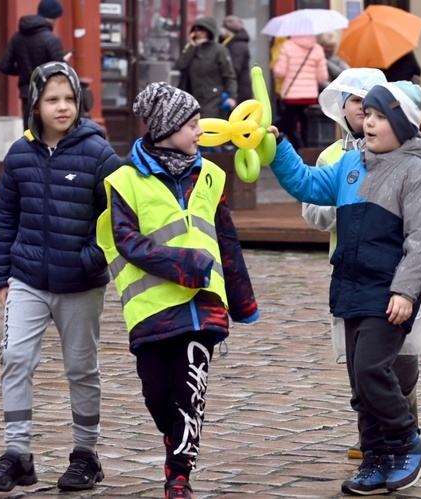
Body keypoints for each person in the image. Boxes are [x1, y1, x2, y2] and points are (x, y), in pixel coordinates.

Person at [267, 80, 421, 495]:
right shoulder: (352, 165)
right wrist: (278, 149)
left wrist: (404, 292)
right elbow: (307, 184)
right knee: (358, 385)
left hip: (389, 294)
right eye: (368, 114)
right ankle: (374, 459)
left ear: (402, 124)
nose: (369, 123)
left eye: (381, 117)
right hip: (349, 288)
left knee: (371, 370)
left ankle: (408, 444)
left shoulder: (418, 174)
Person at [96, 81, 260, 499]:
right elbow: (126, 241)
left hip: (204, 307)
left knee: (191, 391)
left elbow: (227, 239)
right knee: (158, 394)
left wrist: (242, 300)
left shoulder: (212, 175)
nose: (200, 130)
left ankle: (179, 474)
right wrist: (185, 266)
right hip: (151, 310)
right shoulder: (123, 181)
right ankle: (175, 442)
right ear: (166, 129)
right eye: (191, 124)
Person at [0, 61, 120, 493]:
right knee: (15, 359)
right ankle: (17, 454)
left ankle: (85, 455)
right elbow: (5, 218)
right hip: (26, 278)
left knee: (81, 368)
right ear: (35, 104)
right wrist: (2, 277)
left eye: (69, 98)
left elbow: (120, 219)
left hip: (80, 283)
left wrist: (90, 259)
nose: (62, 107)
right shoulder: (19, 155)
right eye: (52, 99)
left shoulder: (99, 155)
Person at [0, 0, 71, 130]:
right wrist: (65, 61)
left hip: (27, 92)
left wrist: (23, 70)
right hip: (48, 93)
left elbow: (4, 65)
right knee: (49, 133)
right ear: (54, 18)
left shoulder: (17, 37)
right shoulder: (51, 39)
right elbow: (59, 70)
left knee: (30, 133)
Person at [272, 34, 328, 149]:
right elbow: (322, 77)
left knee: (289, 124)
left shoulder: (287, 46)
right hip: (310, 96)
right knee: (306, 125)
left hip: (291, 96)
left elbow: (280, 72)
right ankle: (305, 150)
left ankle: (296, 147)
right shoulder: (317, 48)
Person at [175, 16, 237, 119]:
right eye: (196, 29)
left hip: (214, 99)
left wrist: (231, 97)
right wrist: (192, 47)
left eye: (202, 29)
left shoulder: (219, 50)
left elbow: (229, 75)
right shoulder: (191, 48)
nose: (198, 32)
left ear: (209, 31)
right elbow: (180, 66)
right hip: (194, 98)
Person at [220, 15, 254, 105]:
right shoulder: (234, 44)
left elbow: (234, 68)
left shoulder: (237, 46)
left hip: (239, 91)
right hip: (239, 89)